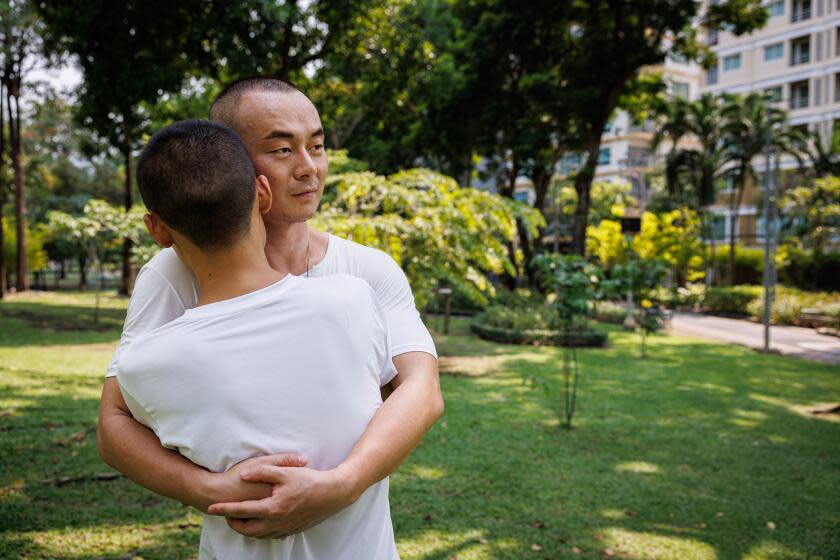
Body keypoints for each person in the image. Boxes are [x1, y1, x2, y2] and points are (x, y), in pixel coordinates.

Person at [97, 78, 444, 539]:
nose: (309, 168)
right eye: (282, 150)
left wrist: (342, 485)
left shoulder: (364, 271)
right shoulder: (171, 274)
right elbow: (113, 423)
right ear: (234, 164)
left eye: (317, 146)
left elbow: (421, 389)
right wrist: (208, 488)